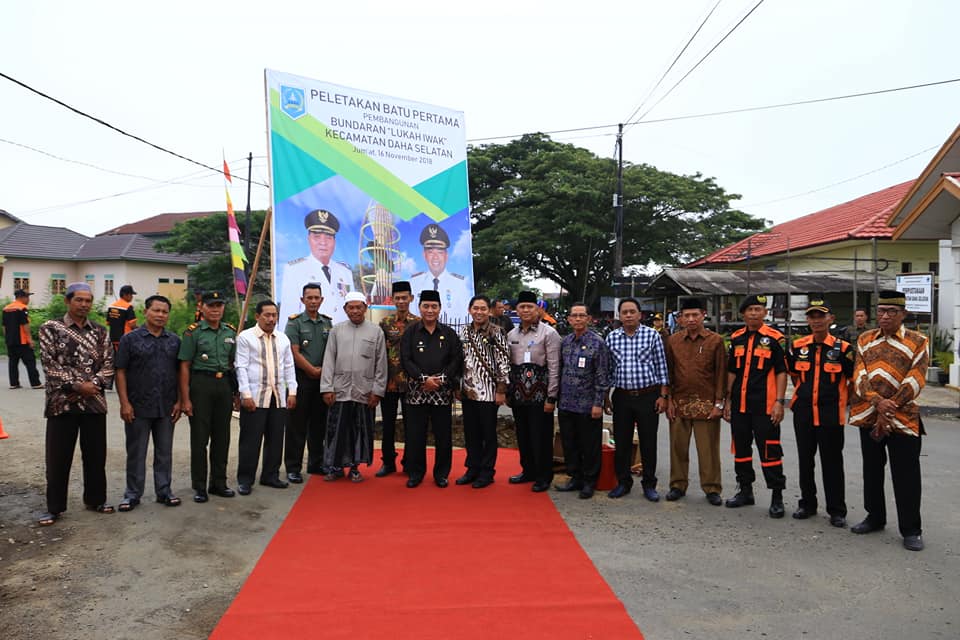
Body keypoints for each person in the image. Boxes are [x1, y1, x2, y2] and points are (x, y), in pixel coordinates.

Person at [849, 290, 928, 551]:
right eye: (881, 311)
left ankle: (911, 529)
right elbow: (859, 376)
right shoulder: (864, 339)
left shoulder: (918, 341)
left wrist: (890, 406)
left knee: (906, 475)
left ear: (903, 314)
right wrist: (876, 401)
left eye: (891, 312)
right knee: (871, 470)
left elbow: (917, 378)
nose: (885, 316)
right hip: (869, 415)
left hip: (903, 417)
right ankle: (875, 517)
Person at [36, 282, 115, 526]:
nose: (84, 305)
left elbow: (109, 364)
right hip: (62, 404)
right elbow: (50, 366)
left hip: (94, 404)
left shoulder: (101, 332)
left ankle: (96, 499)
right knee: (58, 458)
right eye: (79, 300)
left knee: (95, 455)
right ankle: (55, 508)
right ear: (67, 301)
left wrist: (93, 384)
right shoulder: (51, 328)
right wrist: (78, 386)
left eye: (88, 300)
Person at [787, 299, 854, 527]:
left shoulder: (843, 349)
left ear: (830, 319)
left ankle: (837, 510)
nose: (816, 320)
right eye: (812, 316)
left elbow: (852, 380)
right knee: (806, 461)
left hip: (831, 415)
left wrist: (843, 401)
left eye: (821, 316)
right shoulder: (798, 347)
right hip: (804, 413)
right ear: (807, 320)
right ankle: (807, 503)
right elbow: (795, 376)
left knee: (832, 462)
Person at [723, 294, 788, 518]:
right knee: (741, 449)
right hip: (740, 405)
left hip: (765, 406)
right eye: (749, 310)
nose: (753, 313)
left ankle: (777, 496)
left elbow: (781, 372)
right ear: (743, 314)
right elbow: (732, 371)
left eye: (758, 309)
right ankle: (745, 490)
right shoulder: (737, 338)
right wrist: (727, 401)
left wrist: (779, 403)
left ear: (765, 313)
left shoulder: (775, 339)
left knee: (770, 450)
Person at [115, 295, 183, 511]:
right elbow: (120, 371)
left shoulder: (174, 341)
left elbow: (181, 372)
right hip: (138, 406)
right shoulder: (130, 339)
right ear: (145, 312)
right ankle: (132, 494)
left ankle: (164, 491)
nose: (160, 315)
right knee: (137, 452)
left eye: (164, 312)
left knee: (164, 452)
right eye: (156, 310)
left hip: (166, 405)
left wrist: (180, 401)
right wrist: (124, 403)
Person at [605, 298, 669, 500]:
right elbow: (608, 370)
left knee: (648, 441)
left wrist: (663, 396)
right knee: (622, 441)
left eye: (633, 311)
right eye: (625, 312)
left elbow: (662, 367)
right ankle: (623, 482)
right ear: (619, 315)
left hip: (648, 396)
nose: (629, 315)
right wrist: (606, 397)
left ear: (640, 314)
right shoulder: (612, 337)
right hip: (622, 396)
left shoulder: (652, 336)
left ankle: (649, 484)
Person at [320, 291, 387, 483]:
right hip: (339, 390)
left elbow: (381, 364)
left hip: (364, 391)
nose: (355, 311)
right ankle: (335, 466)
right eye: (351, 307)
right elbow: (329, 360)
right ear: (345, 309)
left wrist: (377, 391)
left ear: (365, 308)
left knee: (360, 430)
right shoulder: (337, 331)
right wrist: (327, 388)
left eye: (359, 307)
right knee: (337, 430)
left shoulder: (376, 332)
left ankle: (355, 468)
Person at [664, 297, 725, 506]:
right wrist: (669, 399)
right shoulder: (673, 341)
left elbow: (721, 374)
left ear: (703, 315)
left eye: (695, 315)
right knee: (677, 447)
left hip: (706, 404)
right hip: (679, 403)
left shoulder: (715, 341)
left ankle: (712, 488)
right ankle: (677, 485)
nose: (691, 319)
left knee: (708, 449)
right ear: (680, 318)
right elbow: (668, 373)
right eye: (686, 315)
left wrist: (719, 403)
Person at [178, 291, 238, 503]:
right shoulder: (193, 333)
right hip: (201, 385)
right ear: (202, 307)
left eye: (219, 305)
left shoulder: (229, 332)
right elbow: (184, 366)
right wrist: (185, 399)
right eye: (211, 306)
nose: (215, 310)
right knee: (200, 438)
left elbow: (233, 364)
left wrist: (236, 392)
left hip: (223, 386)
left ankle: (218, 483)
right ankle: (200, 486)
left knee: (222, 438)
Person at [400, 289, 463, 488]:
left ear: (439, 309)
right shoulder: (410, 332)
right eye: (426, 306)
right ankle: (416, 473)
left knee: (443, 435)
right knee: (416, 434)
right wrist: (423, 379)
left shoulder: (449, 333)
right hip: (416, 392)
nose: (430, 310)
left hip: (442, 392)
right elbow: (405, 359)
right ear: (419, 308)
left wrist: (442, 378)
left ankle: (441, 474)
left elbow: (456, 359)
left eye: (434, 306)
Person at [235, 300, 297, 495]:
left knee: (276, 439)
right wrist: (245, 394)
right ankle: (245, 479)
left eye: (274, 315)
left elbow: (289, 367)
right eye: (267, 315)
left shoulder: (283, 338)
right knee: (250, 441)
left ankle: (270, 475)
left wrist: (292, 392)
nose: (271, 319)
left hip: (278, 396)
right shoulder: (246, 337)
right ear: (257, 316)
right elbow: (241, 367)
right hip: (254, 397)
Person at [506, 290, 561, 493]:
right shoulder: (512, 334)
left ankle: (543, 475)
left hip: (541, 393)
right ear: (517, 310)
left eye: (530, 306)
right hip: (519, 394)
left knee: (541, 436)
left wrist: (551, 396)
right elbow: (508, 365)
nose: (526, 310)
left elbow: (554, 366)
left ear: (538, 309)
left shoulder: (549, 333)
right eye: (522, 307)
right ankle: (528, 470)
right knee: (523, 434)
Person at [555, 302, 610, 499]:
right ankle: (575, 477)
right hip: (567, 403)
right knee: (570, 443)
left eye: (582, 316)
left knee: (590, 445)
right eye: (574, 316)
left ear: (589, 318)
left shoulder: (598, 343)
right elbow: (560, 371)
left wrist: (598, 403)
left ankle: (589, 481)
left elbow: (602, 375)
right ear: (569, 319)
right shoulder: (566, 342)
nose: (578, 319)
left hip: (588, 405)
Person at [457, 295, 510, 489]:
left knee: (488, 433)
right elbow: (459, 360)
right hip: (468, 391)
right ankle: (472, 468)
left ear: (489, 311)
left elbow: (504, 363)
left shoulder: (497, 332)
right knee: (471, 433)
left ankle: (487, 472)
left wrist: (501, 390)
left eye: (483, 308)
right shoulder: (463, 331)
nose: (479, 312)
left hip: (489, 392)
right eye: (475, 308)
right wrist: (458, 386)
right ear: (469, 310)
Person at [283, 282, 333, 483]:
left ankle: (316, 463)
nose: (313, 301)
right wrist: (311, 369)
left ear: (322, 300)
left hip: (322, 380)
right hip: (301, 380)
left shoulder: (327, 323)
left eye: (316, 297)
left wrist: (323, 372)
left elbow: (332, 351)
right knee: (297, 426)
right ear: (302, 300)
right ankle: (293, 467)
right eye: (309, 297)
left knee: (319, 425)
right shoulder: (294, 323)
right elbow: (293, 351)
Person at [280, 209, 355, 326]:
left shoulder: (345, 271)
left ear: (334, 241)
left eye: (328, 237)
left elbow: (351, 307)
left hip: (342, 338)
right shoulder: (294, 269)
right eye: (317, 237)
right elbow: (288, 314)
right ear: (308, 239)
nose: (323, 242)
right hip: (311, 338)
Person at [376, 281, 419, 477]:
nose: (401, 301)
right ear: (392, 300)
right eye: (398, 298)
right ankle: (388, 462)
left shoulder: (418, 322)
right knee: (388, 424)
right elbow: (379, 352)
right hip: (389, 383)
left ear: (411, 298)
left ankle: (409, 463)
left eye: (405, 298)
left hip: (411, 383)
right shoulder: (385, 323)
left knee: (411, 425)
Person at [409, 223, 471, 323]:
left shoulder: (460, 284)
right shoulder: (414, 283)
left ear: (446, 255)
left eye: (440, 252)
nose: (435, 257)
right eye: (431, 252)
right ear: (424, 255)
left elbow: (465, 318)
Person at [3, 288, 42, 389]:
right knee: (30, 362)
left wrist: (7, 339)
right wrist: (30, 340)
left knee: (13, 362)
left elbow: (4, 326)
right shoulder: (22, 308)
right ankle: (36, 383)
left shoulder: (6, 308)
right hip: (22, 341)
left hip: (10, 341)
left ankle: (14, 383)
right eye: (27, 297)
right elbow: (25, 325)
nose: (28, 299)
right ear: (21, 297)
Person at [106, 284, 138, 351]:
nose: (132, 297)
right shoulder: (128, 307)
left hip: (113, 339)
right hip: (125, 339)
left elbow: (108, 323)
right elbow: (133, 325)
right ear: (125, 295)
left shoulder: (111, 306)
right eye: (131, 295)